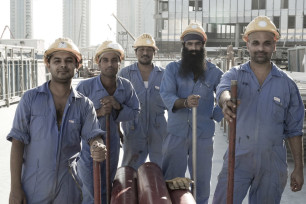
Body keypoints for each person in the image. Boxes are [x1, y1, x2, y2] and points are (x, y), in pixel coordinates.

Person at [213, 16, 304, 203]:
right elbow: (223, 91)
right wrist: (226, 101)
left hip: (272, 163)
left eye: (266, 43)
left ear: (274, 46)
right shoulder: (235, 74)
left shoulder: (287, 85)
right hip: (237, 158)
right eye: (255, 43)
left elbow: (294, 130)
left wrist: (298, 167)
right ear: (248, 45)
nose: (261, 48)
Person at [7, 37, 107, 204]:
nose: (63, 65)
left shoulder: (84, 104)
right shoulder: (30, 99)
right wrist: (15, 188)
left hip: (68, 186)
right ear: (48, 64)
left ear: (77, 66)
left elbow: (93, 135)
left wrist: (98, 145)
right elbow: (17, 143)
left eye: (69, 61)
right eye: (57, 61)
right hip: (34, 185)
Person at [160, 22, 224, 204]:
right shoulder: (172, 69)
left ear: (203, 46)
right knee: (171, 180)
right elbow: (166, 94)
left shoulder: (215, 73)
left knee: (202, 182)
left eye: (197, 44)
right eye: (190, 44)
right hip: (176, 134)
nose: (193, 48)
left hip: (203, 135)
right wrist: (185, 102)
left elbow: (222, 95)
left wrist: (215, 114)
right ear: (184, 46)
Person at [76, 41, 140, 204]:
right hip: (89, 148)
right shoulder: (85, 87)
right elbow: (74, 118)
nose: (110, 64)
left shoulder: (126, 87)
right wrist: (98, 113)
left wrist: (118, 106)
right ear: (98, 62)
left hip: (112, 147)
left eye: (114, 60)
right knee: (91, 192)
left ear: (120, 62)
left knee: (106, 188)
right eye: (105, 60)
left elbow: (135, 112)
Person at [118, 33, 167, 169]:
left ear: (154, 52)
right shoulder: (125, 74)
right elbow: (117, 103)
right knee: (130, 170)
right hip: (133, 129)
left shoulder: (163, 74)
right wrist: (117, 129)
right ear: (135, 52)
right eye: (141, 50)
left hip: (158, 129)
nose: (145, 53)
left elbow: (171, 102)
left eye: (149, 50)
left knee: (162, 169)